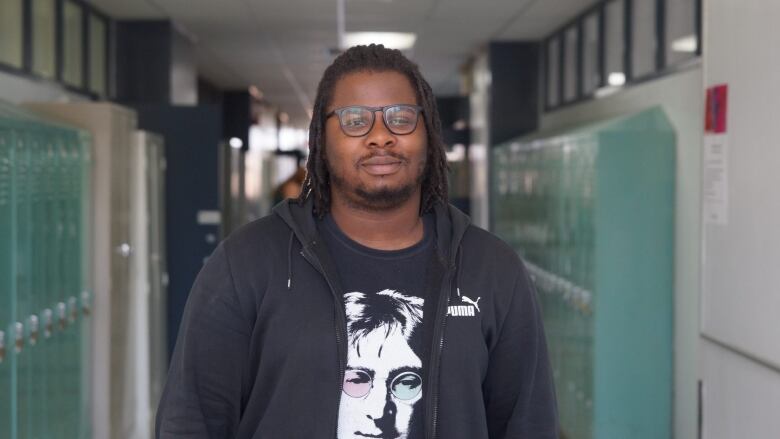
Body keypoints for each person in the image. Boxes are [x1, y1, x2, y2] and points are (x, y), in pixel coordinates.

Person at [156, 44, 558, 439]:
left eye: (401, 118)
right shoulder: (247, 262)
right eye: (354, 120)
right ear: (321, 137)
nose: (380, 137)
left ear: (428, 132)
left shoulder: (491, 269)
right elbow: (192, 420)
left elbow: (528, 423)